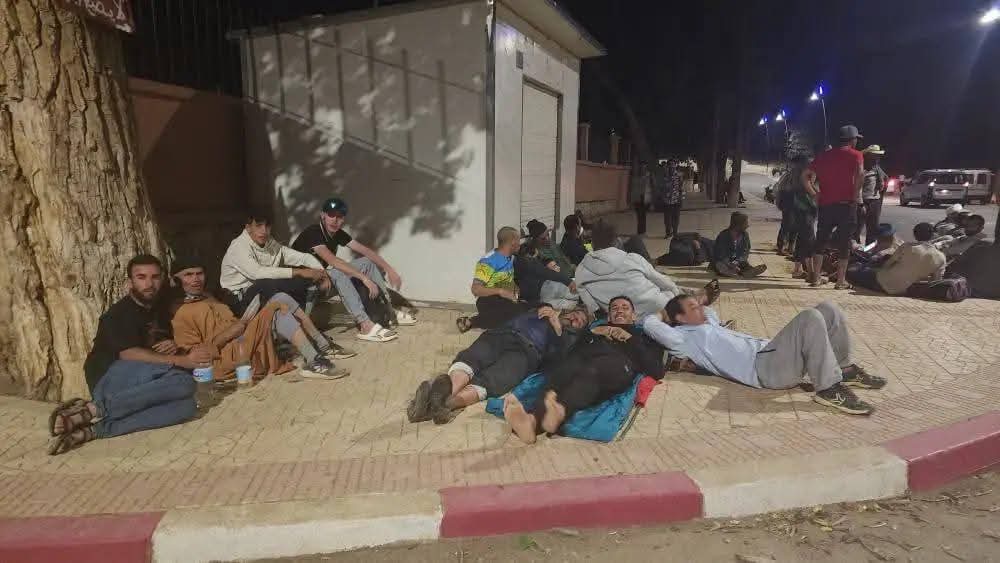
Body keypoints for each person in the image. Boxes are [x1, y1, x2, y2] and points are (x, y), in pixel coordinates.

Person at [47, 255, 203, 455]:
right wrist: (181, 360)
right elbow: (129, 353)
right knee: (185, 383)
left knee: (188, 407)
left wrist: (174, 343)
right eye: (141, 277)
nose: (149, 284)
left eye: (155, 277)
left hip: (145, 379)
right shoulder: (119, 314)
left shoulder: (158, 307)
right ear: (129, 282)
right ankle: (92, 410)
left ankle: (92, 431)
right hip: (110, 377)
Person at [646, 295, 885, 415]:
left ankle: (844, 370)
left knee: (828, 308)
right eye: (692, 308)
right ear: (680, 319)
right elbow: (649, 324)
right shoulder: (683, 339)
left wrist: (695, 304)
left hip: (773, 354)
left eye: (697, 305)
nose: (700, 308)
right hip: (765, 370)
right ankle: (828, 389)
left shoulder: (710, 324)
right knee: (809, 318)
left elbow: (709, 310)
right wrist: (663, 314)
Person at [503, 296, 665, 444]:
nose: (619, 310)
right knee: (562, 370)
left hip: (618, 367)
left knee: (591, 370)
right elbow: (570, 353)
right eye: (614, 308)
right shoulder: (597, 329)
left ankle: (558, 412)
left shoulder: (642, 336)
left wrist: (629, 338)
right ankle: (532, 423)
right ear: (609, 317)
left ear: (634, 316)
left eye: (625, 308)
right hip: (585, 363)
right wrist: (591, 333)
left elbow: (657, 370)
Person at [170, 259, 349, 381]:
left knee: (280, 298)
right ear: (177, 280)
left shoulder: (208, 296)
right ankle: (314, 358)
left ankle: (319, 347)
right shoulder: (179, 311)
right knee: (277, 305)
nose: (195, 279)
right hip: (227, 355)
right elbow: (194, 354)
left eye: (199, 273)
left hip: (241, 337)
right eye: (188, 275)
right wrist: (227, 334)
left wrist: (241, 322)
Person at [407, 306, 590, 424]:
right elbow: (506, 310)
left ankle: (444, 403)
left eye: (580, 322)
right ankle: (440, 403)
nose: (575, 320)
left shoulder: (567, 340)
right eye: (576, 315)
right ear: (567, 310)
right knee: (473, 358)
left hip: (527, 354)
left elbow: (555, 362)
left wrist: (558, 331)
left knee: (491, 382)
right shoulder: (542, 308)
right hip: (502, 335)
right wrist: (545, 308)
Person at [291, 197, 416, 343]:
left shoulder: (338, 234)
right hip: (301, 287)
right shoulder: (313, 232)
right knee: (337, 271)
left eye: (339, 216)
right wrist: (364, 278)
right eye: (331, 215)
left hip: (321, 281)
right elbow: (332, 260)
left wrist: (390, 270)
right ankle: (365, 325)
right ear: (323, 215)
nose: (335, 220)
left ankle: (388, 311)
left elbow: (366, 251)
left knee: (366, 263)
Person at [575, 220, 720, 317]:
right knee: (666, 285)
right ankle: (694, 299)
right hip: (658, 307)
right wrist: (679, 296)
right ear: (616, 241)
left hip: (622, 316)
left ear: (592, 244)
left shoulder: (581, 269)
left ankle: (693, 295)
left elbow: (592, 307)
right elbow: (664, 283)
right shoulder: (631, 259)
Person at [220, 210, 329, 314]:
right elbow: (257, 273)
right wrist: (300, 272)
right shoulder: (239, 246)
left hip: (261, 293)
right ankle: (310, 292)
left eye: (267, 226)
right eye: (258, 226)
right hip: (238, 300)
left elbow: (303, 257)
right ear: (248, 228)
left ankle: (306, 306)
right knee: (270, 282)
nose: (264, 231)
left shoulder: (269, 243)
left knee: (286, 282)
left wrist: (322, 273)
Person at [803, 125, 865, 289]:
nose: (856, 141)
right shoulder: (856, 155)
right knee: (845, 242)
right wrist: (855, 194)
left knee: (821, 240)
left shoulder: (824, 156)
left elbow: (805, 176)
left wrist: (814, 193)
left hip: (826, 205)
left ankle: (816, 278)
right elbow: (860, 175)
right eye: (856, 139)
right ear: (852, 140)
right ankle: (840, 281)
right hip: (846, 205)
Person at [456, 227, 530, 333]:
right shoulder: (488, 261)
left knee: (526, 309)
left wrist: (515, 289)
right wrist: (501, 291)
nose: (520, 244)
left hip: (505, 299)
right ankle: (471, 322)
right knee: (516, 313)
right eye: (519, 241)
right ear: (513, 243)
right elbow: (476, 289)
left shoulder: (511, 257)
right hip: (488, 300)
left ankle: (484, 319)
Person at [846, 223, 946, 295]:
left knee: (852, 272)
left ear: (915, 235)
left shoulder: (906, 247)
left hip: (882, 282)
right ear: (932, 235)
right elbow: (936, 282)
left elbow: (887, 265)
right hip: (903, 290)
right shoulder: (941, 257)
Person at [515, 242, 579, 310]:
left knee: (571, 305)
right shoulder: (527, 263)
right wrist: (568, 281)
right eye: (536, 256)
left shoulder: (519, 268)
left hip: (540, 299)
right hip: (546, 289)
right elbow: (546, 272)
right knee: (578, 294)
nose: (537, 258)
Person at [711, 212, 767, 278]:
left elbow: (745, 252)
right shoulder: (723, 235)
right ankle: (735, 272)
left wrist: (737, 262)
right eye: (746, 223)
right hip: (724, 261)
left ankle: (743, 271)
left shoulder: (745, 235)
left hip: (738, 261)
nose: (747, 226)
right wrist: (730, 264)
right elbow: (720, 254)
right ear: (738, 225)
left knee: (745, 265)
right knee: (720, 265)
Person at [857, 145, 889, 245]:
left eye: (878, 155)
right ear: (868, 156)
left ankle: (869, 250)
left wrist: (882, 184)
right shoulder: (861, 168)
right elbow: (857, 187)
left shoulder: (877, 168)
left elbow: (885, 178)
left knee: (872, 229)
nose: (877, 158)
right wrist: (861, 204)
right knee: (857, 228)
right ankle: (854, 249)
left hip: (875, 201)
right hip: (863, 201)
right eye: (875, 155)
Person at [659, 160, 684, 237]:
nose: (672, 167)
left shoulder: (679, 176)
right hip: (667, 200)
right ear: (668, 166)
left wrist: (681, 198)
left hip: (676, 199)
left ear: (675, 166)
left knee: (676, 217)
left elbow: (681, 188)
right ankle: (668, 233)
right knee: (667, 218)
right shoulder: (664, 176)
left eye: (673, 165)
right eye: (670, 165)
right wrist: (662, 197)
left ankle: (675, 232)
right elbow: (661, 188)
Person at [629, 161, 652, 235]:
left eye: (644, 167)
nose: (642, 168)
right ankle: (639, 231)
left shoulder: (649, 176)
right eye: (641, 166)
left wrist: (652, 201)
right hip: (637, 198)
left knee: (643, 215)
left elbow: (653, 187)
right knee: (639, 216)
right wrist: (630, 199)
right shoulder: (635, 176)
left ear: (646, 167)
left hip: (645, 198)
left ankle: (643, 231)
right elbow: (631, 187)